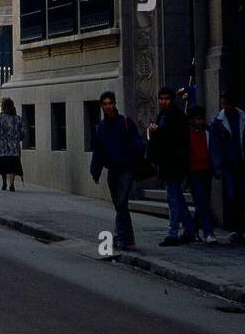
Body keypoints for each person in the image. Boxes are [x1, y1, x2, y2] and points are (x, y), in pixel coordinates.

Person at [90, 91, 143, 252]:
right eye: (105, 104)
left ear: (115, 104)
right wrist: (95, 171)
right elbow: (97, 152)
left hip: (126, 168)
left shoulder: (125, 122)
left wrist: (132, 154)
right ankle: (129, 239)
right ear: (102, 106)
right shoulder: (101, 128)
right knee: (120, 205)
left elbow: (137, 142)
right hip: (112, 170)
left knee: (121, 202)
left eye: (110, 103)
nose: (108, 107)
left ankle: (120, 236)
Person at [147, 86, 195, 246]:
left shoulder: (177, 116)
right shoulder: (163, 114)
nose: (163, 102)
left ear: (172, 100)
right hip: (166, 163)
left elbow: (176, 141)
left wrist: (158, 131)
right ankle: (189, 230)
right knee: (177, 198)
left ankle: (173, 233)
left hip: (175, 163)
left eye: (166, 99)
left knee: (173, 198)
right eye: (161, 99)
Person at [210, 90, 245, 245]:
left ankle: (240, 228)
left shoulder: (244, 118)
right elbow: (215, 146)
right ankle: (235, 229)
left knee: (242, 195)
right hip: (228, 165)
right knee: (231, 195)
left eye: (227, 103)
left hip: (242, 162)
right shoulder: (218, 122)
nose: (225, 106)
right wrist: (217, 166)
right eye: (223, 103)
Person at [186, 105, 217, 243]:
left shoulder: (208, 132)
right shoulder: (187, 134)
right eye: (197, 119)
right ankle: (208, 231)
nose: (200, 121)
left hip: (206, 170)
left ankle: (194, 229)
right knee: (202, 201)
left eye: (201, 119)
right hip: (193, 172)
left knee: (202, 202)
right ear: (192, 120)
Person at [0, 97, 25, 192]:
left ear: (3, 107)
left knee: (3, 166)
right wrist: (18, 139)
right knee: (13, 166)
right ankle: (12, 184)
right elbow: (22, 133)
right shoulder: (18, 119)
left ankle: (4, 183)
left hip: (2, 148)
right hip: (14, 149)